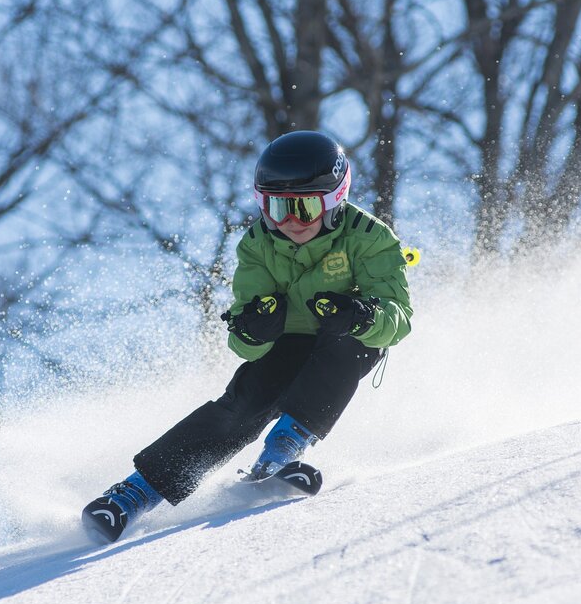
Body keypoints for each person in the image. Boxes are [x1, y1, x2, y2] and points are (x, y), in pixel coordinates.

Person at [82, 130, 413, 542]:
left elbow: (399, 319)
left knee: (353, 346)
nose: (289, 222)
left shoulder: (370, 237)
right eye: (276, 208)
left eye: (305, 208)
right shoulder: (257, 244)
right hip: (287, 342)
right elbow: (242, 341)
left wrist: (362, 315)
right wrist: (254, 329)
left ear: (334, 201)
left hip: (344, 338)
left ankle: (281, 452)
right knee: (245, 402)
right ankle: (134, 494)